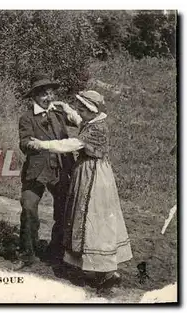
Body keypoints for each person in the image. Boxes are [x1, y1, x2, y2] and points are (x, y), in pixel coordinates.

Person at [29, 90, 133, 290]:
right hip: (93, 171)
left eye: (82, 109)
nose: (79, 112)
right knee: (92, 218)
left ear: (91, 111)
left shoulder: (96, 129)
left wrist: (43, 144)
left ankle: (105, 271)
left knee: (93, 217)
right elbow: (79, 120)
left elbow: (72, 144)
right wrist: (65, 107)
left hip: (93, 175)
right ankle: (97, 267)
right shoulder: (94, 121)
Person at [17, 74, 80, 268]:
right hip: (36, 169)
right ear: (34, 96)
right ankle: (28, 252)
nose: (49, 97)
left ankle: (56, 250)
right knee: (29, 207)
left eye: (51, 93)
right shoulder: (27, 118)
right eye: (44, 94)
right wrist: (34, 145)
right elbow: (24, 142)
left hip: (61, 169)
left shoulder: (58, 114)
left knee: (63, 211)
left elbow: (81, 123)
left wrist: (68, 109)